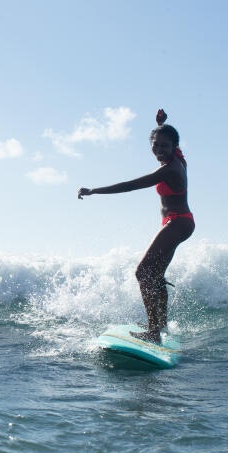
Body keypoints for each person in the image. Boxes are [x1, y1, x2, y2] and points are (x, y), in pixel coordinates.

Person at [77, 109, 194, 343]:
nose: (159, 150)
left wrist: (94, 190)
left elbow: (130, 185)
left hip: (178, 222)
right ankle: (159, 325)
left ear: (174, 146)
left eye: (165, 146)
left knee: (142, 273)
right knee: (156, 275)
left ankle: (153, 332)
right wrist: (161, 124)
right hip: (179, 222)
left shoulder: (169, 169)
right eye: (156, 145)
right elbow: (167, 140)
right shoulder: (177, 157)